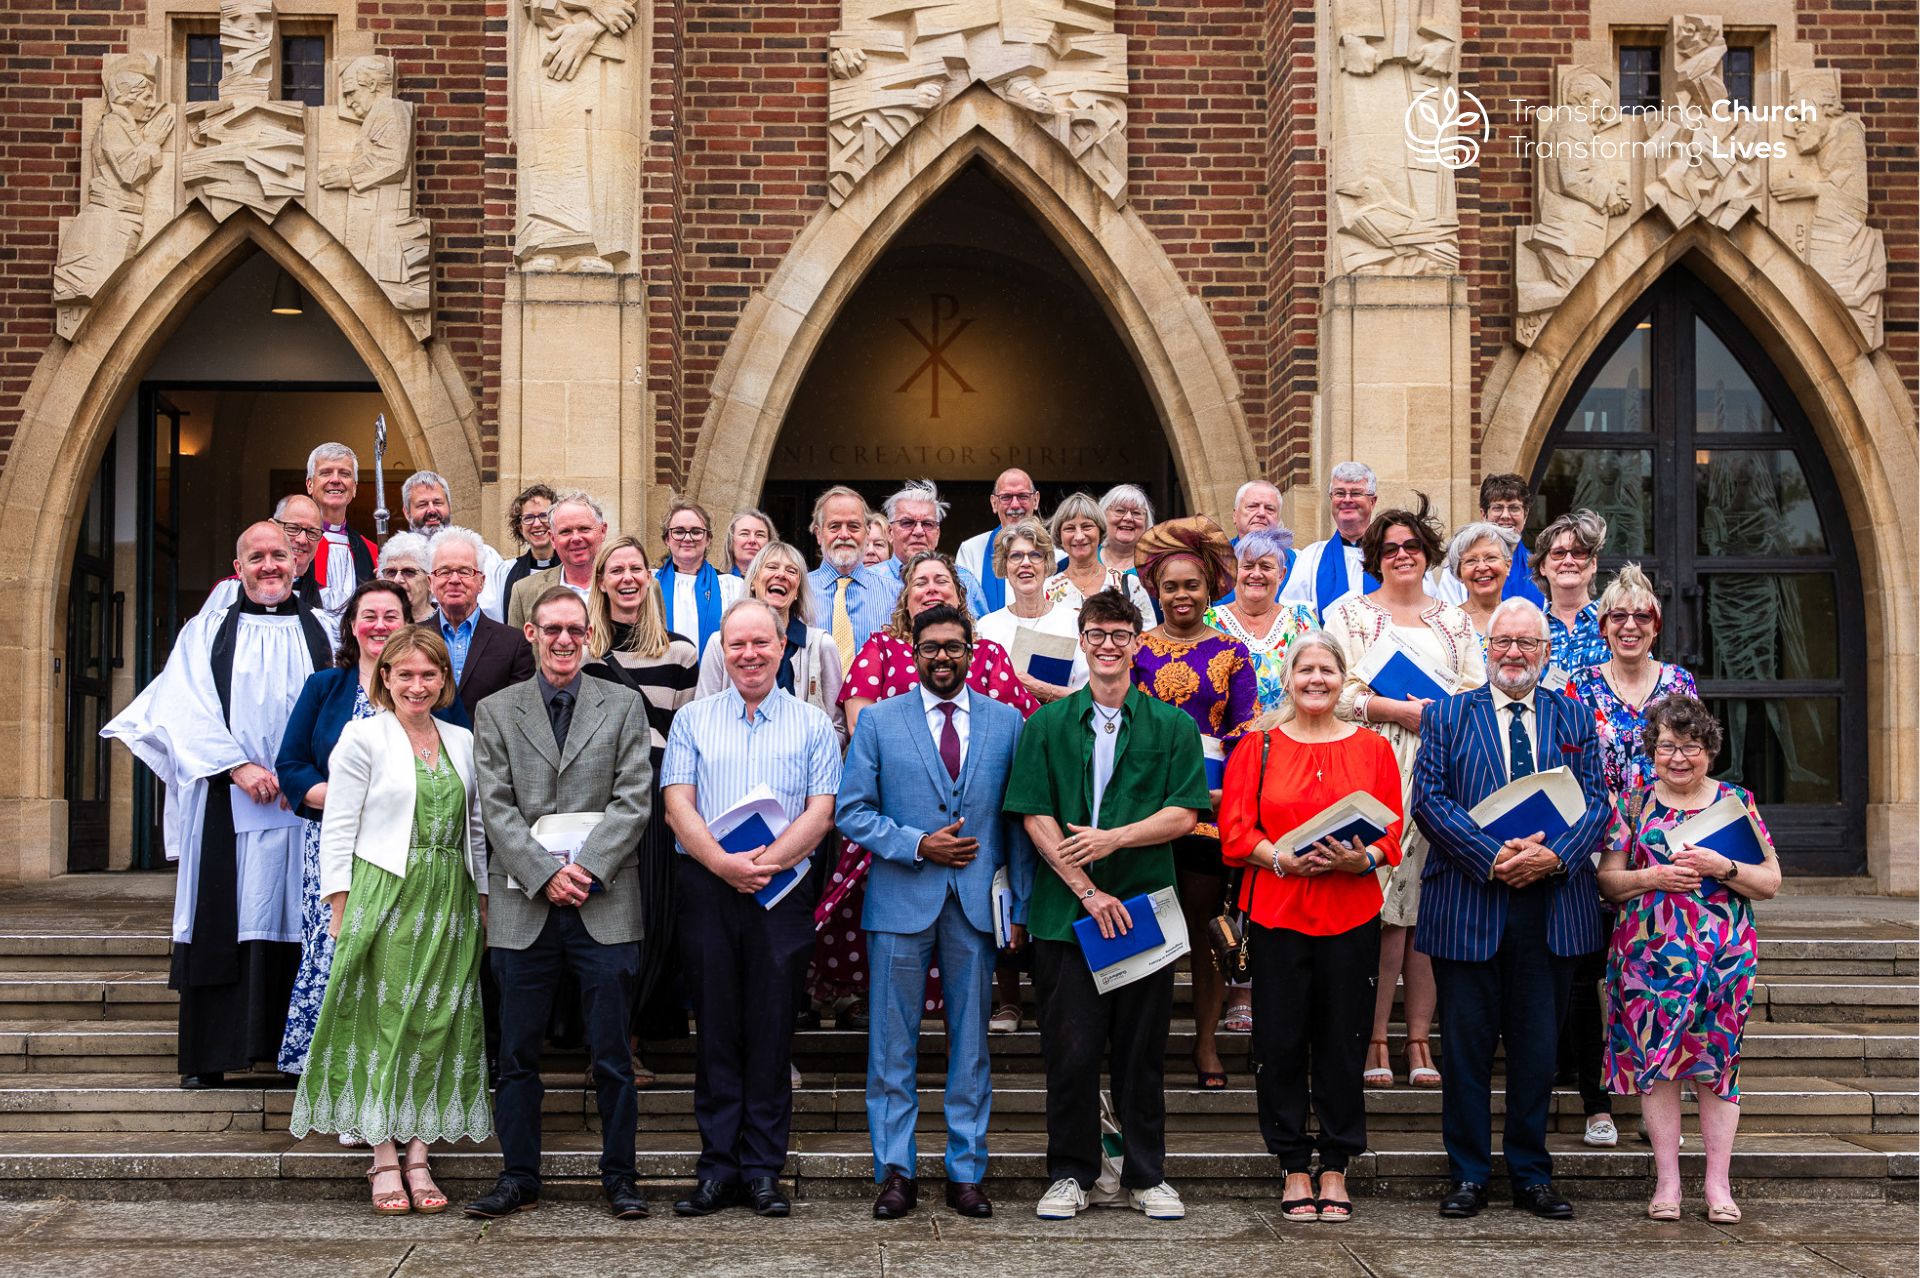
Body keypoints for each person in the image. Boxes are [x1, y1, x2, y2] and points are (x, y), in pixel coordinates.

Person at [1003, 588, 1212, 1222]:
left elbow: (1183, 813)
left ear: (1137, 642)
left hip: (1145, 909)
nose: (1109, 646)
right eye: (1097, 634)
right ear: (1083, 638)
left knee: (1142, 1052)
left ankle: (1146, 1176)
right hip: (1066, 915)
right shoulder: (1045, 724)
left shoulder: (1172, 725)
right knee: (1069, 1052)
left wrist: (1114, 838)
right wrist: (1088, 891)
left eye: (1121, 634)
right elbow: (1033, 814)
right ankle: (1071, 1172)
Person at [102, 522, 334, 1087]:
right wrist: (238, 766)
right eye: (257, 557)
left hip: (308, 807)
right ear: (239, 567)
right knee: (229, 913)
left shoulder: (327, 630)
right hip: (227, 800)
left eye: (280, 554)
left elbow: (343, 704)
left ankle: (296, 1054)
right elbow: (183, 706)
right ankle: (212, 1055)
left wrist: (300, 774)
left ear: (298, 563)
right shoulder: (204, 632)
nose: (270, 565)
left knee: (303, 919)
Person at [1411, 598, 1611, 1221]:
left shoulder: (1575, 718)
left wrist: (1556, 859)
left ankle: (1531, 1174)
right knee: (1466, 1051)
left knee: (1536, 1052)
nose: (1515, 653)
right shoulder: (1446, 716)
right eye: (1503, 642)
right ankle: (1468, 1175)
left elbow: (1599, 803)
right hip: (1470, 902)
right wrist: (1493, 855)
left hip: (1551, 909)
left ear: (1546, 651)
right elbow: (1429, 800)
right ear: (1486, 646)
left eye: (1528, 643)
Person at [466, 586, 655, 1222]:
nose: (564, 640)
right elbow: (494, 805)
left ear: (590, 636)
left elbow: (635, 798)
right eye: (552, 630)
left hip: (606, 905)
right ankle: (517, 1176)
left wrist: (588, 869)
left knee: (611, 1057)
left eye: (576, 629)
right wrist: (545, 874)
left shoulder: (624, 706)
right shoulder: (495, 710)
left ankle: (621, 1179)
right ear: (530, 633)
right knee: (516, 1055)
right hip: (525, 908)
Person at [836, 603, 1030, 1221]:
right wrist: (917, 843)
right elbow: (852, 810)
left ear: (971, 651)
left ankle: (966, 1172)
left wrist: (1018, 904)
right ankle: (896, 1171)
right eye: (930, 647)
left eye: (953, 646)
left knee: (970, 1045)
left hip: (976, 905)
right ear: (913, 652)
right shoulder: (880, 722)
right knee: (892, 1045)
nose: (941, 656)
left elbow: (1018, 823)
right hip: (899, 899)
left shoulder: (1006, 722)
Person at [289, 628, 492, 1215]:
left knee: (438, 1021)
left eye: (428, 674)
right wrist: (339, 903)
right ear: (385, 679)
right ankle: (382, 1156)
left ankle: (420, 1155)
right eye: (404, 674)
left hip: (449, 893)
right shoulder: (362, 735)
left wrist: (479, 897)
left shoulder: (461, 738)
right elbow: (340, 825)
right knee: (384, 1020)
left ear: (442, 681)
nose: (417, 685)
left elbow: (474, 826)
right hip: (386, 888)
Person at [662, 599, 842, 1218]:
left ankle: (764, 1169)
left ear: (783, 648)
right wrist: (723, 864)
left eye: (761, 644)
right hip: (709, 890)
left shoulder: (814, 724)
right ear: (722, 651)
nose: (749, 655)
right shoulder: (693, 720)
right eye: (736, 645)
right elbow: (677, 804)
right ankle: (716, 1169)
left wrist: (763, 866)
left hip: (783, 894)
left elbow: (821, 812)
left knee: (770, 1032)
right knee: (714, 1030)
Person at [1220, 632, 1403, 1223]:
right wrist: (1279, 857)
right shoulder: (1260, 745)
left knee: (1343, 1043)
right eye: (1306, 671)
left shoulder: (1374, 749)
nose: (1316, 680)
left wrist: (1363, 860)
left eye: (1327, 670)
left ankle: (1336, 1164)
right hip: (1278, 912)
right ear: (1289, 679)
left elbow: (1393, 834)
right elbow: (1234, 833)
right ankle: (1293, 1162)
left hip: (1351, 913)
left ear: (1343, 677)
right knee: (1278, 1042)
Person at [814, 552, 1037, 1023]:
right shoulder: (881, 647)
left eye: (942, 581)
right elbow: (861, 731)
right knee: (893, 1018)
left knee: (970, 1026)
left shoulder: (987, 653)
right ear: (905, 595)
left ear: (959, 595)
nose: (932, 588)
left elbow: (1018, 736)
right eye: (921, 582)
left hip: (975, 864)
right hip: (898, 846)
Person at [1597, 695, 1780, 1224]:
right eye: (1668, 747)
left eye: (1691, 747)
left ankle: (1719, 1186)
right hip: (1647, 961)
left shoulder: (1735, 803)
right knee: (1658, 1068)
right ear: (1651, 750)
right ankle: (1668, 1183)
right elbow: (1607, 881)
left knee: (1718, 1069)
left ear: (1710, 751)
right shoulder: (1631, 803)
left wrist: (1723, 865)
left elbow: (1769, 882)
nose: (1679, 758)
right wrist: (1652, 877)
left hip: (1724, 960)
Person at [1325, 496, 1485, 1093]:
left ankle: (1419, 1036)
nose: (1401, 556)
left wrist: (1435, 715)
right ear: (1375, 557)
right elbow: (1328, 689)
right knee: (1380, 910)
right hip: (1368, 769)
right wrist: (1393, 707)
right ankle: (1373, 1036)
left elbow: (1476, 695)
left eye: (1411, 547)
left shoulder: (1455, 621)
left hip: (1442, 775)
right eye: (1389, 548)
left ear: (1427, 555)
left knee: (1426, 913)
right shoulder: (1349, 615)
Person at [276, 581, 448, 1082]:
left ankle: (389, 1075)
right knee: (338, 952)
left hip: (410, 851)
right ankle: (331, 1075)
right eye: (368, 615)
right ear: (352, 626)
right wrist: (342, 799)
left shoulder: (425, 689)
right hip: (336, 844)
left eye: (390, 616)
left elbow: (453, 765)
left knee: (396, 959)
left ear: (407, 625)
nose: (379, 625)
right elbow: (291, 764)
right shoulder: (325, 687)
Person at [1564, 563, 1699, 1151]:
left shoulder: (1679, 685)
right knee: (1584, 975)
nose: (1629, 625)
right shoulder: (1578, 684)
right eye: (1618, 615)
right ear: (1602, 623)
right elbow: (1565, 762)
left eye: (1640, 616)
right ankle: (1596, 1102)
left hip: (1660, 840)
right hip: (1593, 837)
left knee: (1656, 975)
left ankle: (1655, 1097)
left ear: (1656, 624)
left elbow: (1694, 758)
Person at [1130, 516, 1257, 1088]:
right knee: (1146, 924)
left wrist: (1225, 792)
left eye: (1192, 585)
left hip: (1210, 802)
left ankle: (1205, 1042)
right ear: (1155, 591)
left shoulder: (1232, 653)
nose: (1182, 595)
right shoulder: (1134, 651)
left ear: (1210, 589)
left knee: (1205, 924)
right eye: (1171, 587)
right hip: (1144, 804)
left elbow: (1245, 731)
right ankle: (1142, 1042)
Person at [583, 535, 701, 1087]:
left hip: (655, 797)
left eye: (636, 568)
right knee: (599, 919)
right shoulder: (581, 653)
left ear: (649, 579)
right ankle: (601, 1042)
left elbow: (685, 737)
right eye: (616, 570)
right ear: (600, 581)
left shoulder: (680, 653)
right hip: (595, 799)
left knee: (649, 920)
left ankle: (628, 1041)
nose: (627, 577)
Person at [698, 541, 845, 740]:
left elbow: (838, 728)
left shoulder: (821, 646)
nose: (781, 575)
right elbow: (703, 719)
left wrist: (808, 758)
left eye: (791, 571)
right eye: (772, 567)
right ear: (752, 581)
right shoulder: (720, 643)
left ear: (797, 591)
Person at [974, 518, 1087, 706]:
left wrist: (1040, 688)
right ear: (1005, 566)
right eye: (1016, 556)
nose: (1025, 563)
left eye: (1035, 555)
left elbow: (1089, 696)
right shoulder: (986, 627)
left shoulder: (1074, 622)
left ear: (1046, 564)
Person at [429, 526, 535, 725]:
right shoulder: (411, 639)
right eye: (444, 571)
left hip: (490, 753)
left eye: (465, 571)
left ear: (481, 582)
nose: (454, 580)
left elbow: (521, 716)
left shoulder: (514, 643)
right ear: (430, 582)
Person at [1206, 529, 1318, 716]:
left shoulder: (1301, 620)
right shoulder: (1210, 622)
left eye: (1266, 567)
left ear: (1281, 575)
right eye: (1248, 566)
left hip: (1290, 736)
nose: (1256, 574)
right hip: (1227, 740)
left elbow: (1317, 680)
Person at [871, 479, 991, 618]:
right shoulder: (868, 582)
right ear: (890, 533)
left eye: (927, 524)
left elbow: (982, 633)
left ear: (938, 533)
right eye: (907, 523)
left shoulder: (965, 580)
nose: (918, 531)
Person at [807, 485, 894, 672]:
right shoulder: (797, 591)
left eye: (853, 526)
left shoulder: (896, 594)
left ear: (867, 531)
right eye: (834, 526)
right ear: (818, 534)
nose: (844, 535)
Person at [197, 493, 328, 617]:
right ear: (273, 526)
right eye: (293, 528)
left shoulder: (329, 599)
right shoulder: (229, 591)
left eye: (312, 532)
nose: (302, 540)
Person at [1281, 462, 1379, 620]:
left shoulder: (1395, 555)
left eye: (1355, 493)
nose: (1347, 500)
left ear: (1372, 501)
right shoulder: (1312, 556)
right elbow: (1292, 612)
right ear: (1331, 499)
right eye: (1340, 493)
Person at [1432, 474, 1546, 609]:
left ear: (1525, 515)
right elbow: (1450, 618)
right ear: (1483, 514)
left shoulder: (1539, 569)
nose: (1505, 516)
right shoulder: (1458, 567)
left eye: (1514, 508)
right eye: (1497, 508)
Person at [1044, 491, 1155, 620]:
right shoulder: (1046, 589)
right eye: (1070, 528)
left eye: (1087, 526)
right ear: (1059, 535)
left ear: (1101, 530)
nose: (1079, 536)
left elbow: (1146, 638)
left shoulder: (1130, 585)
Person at [505, 490, 608, 630]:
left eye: (584, 529)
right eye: (565, 531)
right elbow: (516, 650)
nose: (576, 538)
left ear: (602, 531)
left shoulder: (627, 584)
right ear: (553, 539)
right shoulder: (523, 591)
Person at [657, 499, 744, 657]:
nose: (688, 538)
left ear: (708, 539)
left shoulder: (733, 587)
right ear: (666, 539)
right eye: (678, 531)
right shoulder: (648, 582)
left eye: (696, 532)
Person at [955, 467, 1044, 614]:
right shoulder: (971, 550)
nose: (1015, 505)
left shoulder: (1056, 552)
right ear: (994, 503)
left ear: (1036, 500)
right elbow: (964, 607)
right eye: (1006, 497)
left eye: (1022, 496)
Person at [304, 442, 379, 616]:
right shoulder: (294, 544)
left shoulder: (371, 551)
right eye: (325, 472)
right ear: (309, 484)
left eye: (345, 474)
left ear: (354, 487)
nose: (336, 480)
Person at [1534, 509, 1610, 678]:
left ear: (1594, 564)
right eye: (1559, 553)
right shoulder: (1531, 629)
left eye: (1579, 553)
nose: (1568, 561)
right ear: (1542, 567)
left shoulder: (1615, 623)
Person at [483, 483, 560, 621]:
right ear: (520, 528)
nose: (537, 524)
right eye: (528, 518)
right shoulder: (504, 572)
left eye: (544, 516)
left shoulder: (571, 569)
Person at [1444, 521, 1520, 654]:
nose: (1482, 567)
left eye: (1491, 558)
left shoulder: (1523, 620)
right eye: (1471, 561)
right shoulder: (1447, 624)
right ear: (1459, 573)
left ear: (1508, 566)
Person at [1218, 479, 1297, 606]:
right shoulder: (1212, 560)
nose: (1261, 513)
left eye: (1270, 509)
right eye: (1252, 506)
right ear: (1235, 515)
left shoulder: (1299, 563)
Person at [1097, 483, 1153, 577]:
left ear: (1146, 522)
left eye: (1136, 513)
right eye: (1120, 511)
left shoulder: (1156, 566)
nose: (1128, 518)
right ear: (1103, 516)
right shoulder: (1086, 558)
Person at [377, 531, 434, 622]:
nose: (397, 580)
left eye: (408, 572)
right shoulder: (376, 626)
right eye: (391, 572)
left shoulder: (448, 626)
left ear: (430, 582)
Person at [725, 508, 777, 577]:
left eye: (760, 535)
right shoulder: (716, 583)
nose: (752, 540)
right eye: (744, 534)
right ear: (731, 542)